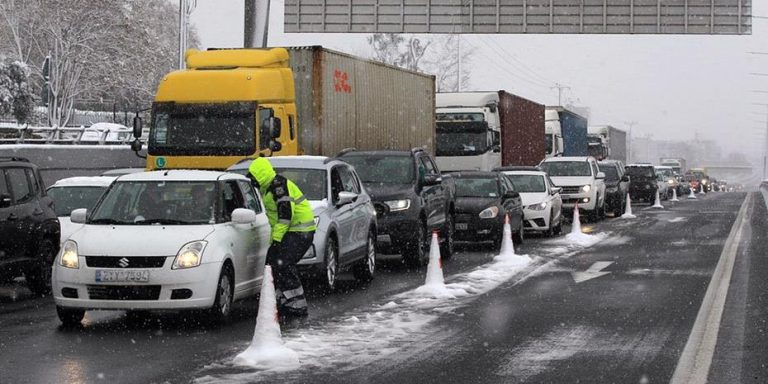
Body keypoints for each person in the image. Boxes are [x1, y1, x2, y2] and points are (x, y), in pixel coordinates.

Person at [248, 157, 316, 318]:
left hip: (299, 230)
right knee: (273, 264)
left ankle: (298, 304)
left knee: (284, 263)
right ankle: (282, 299)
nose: (253, 182)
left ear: (261, 175)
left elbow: (286, 215)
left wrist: (276, 240)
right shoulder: (267, 188)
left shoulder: (279, 187)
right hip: (291, 231)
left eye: (254, 178)